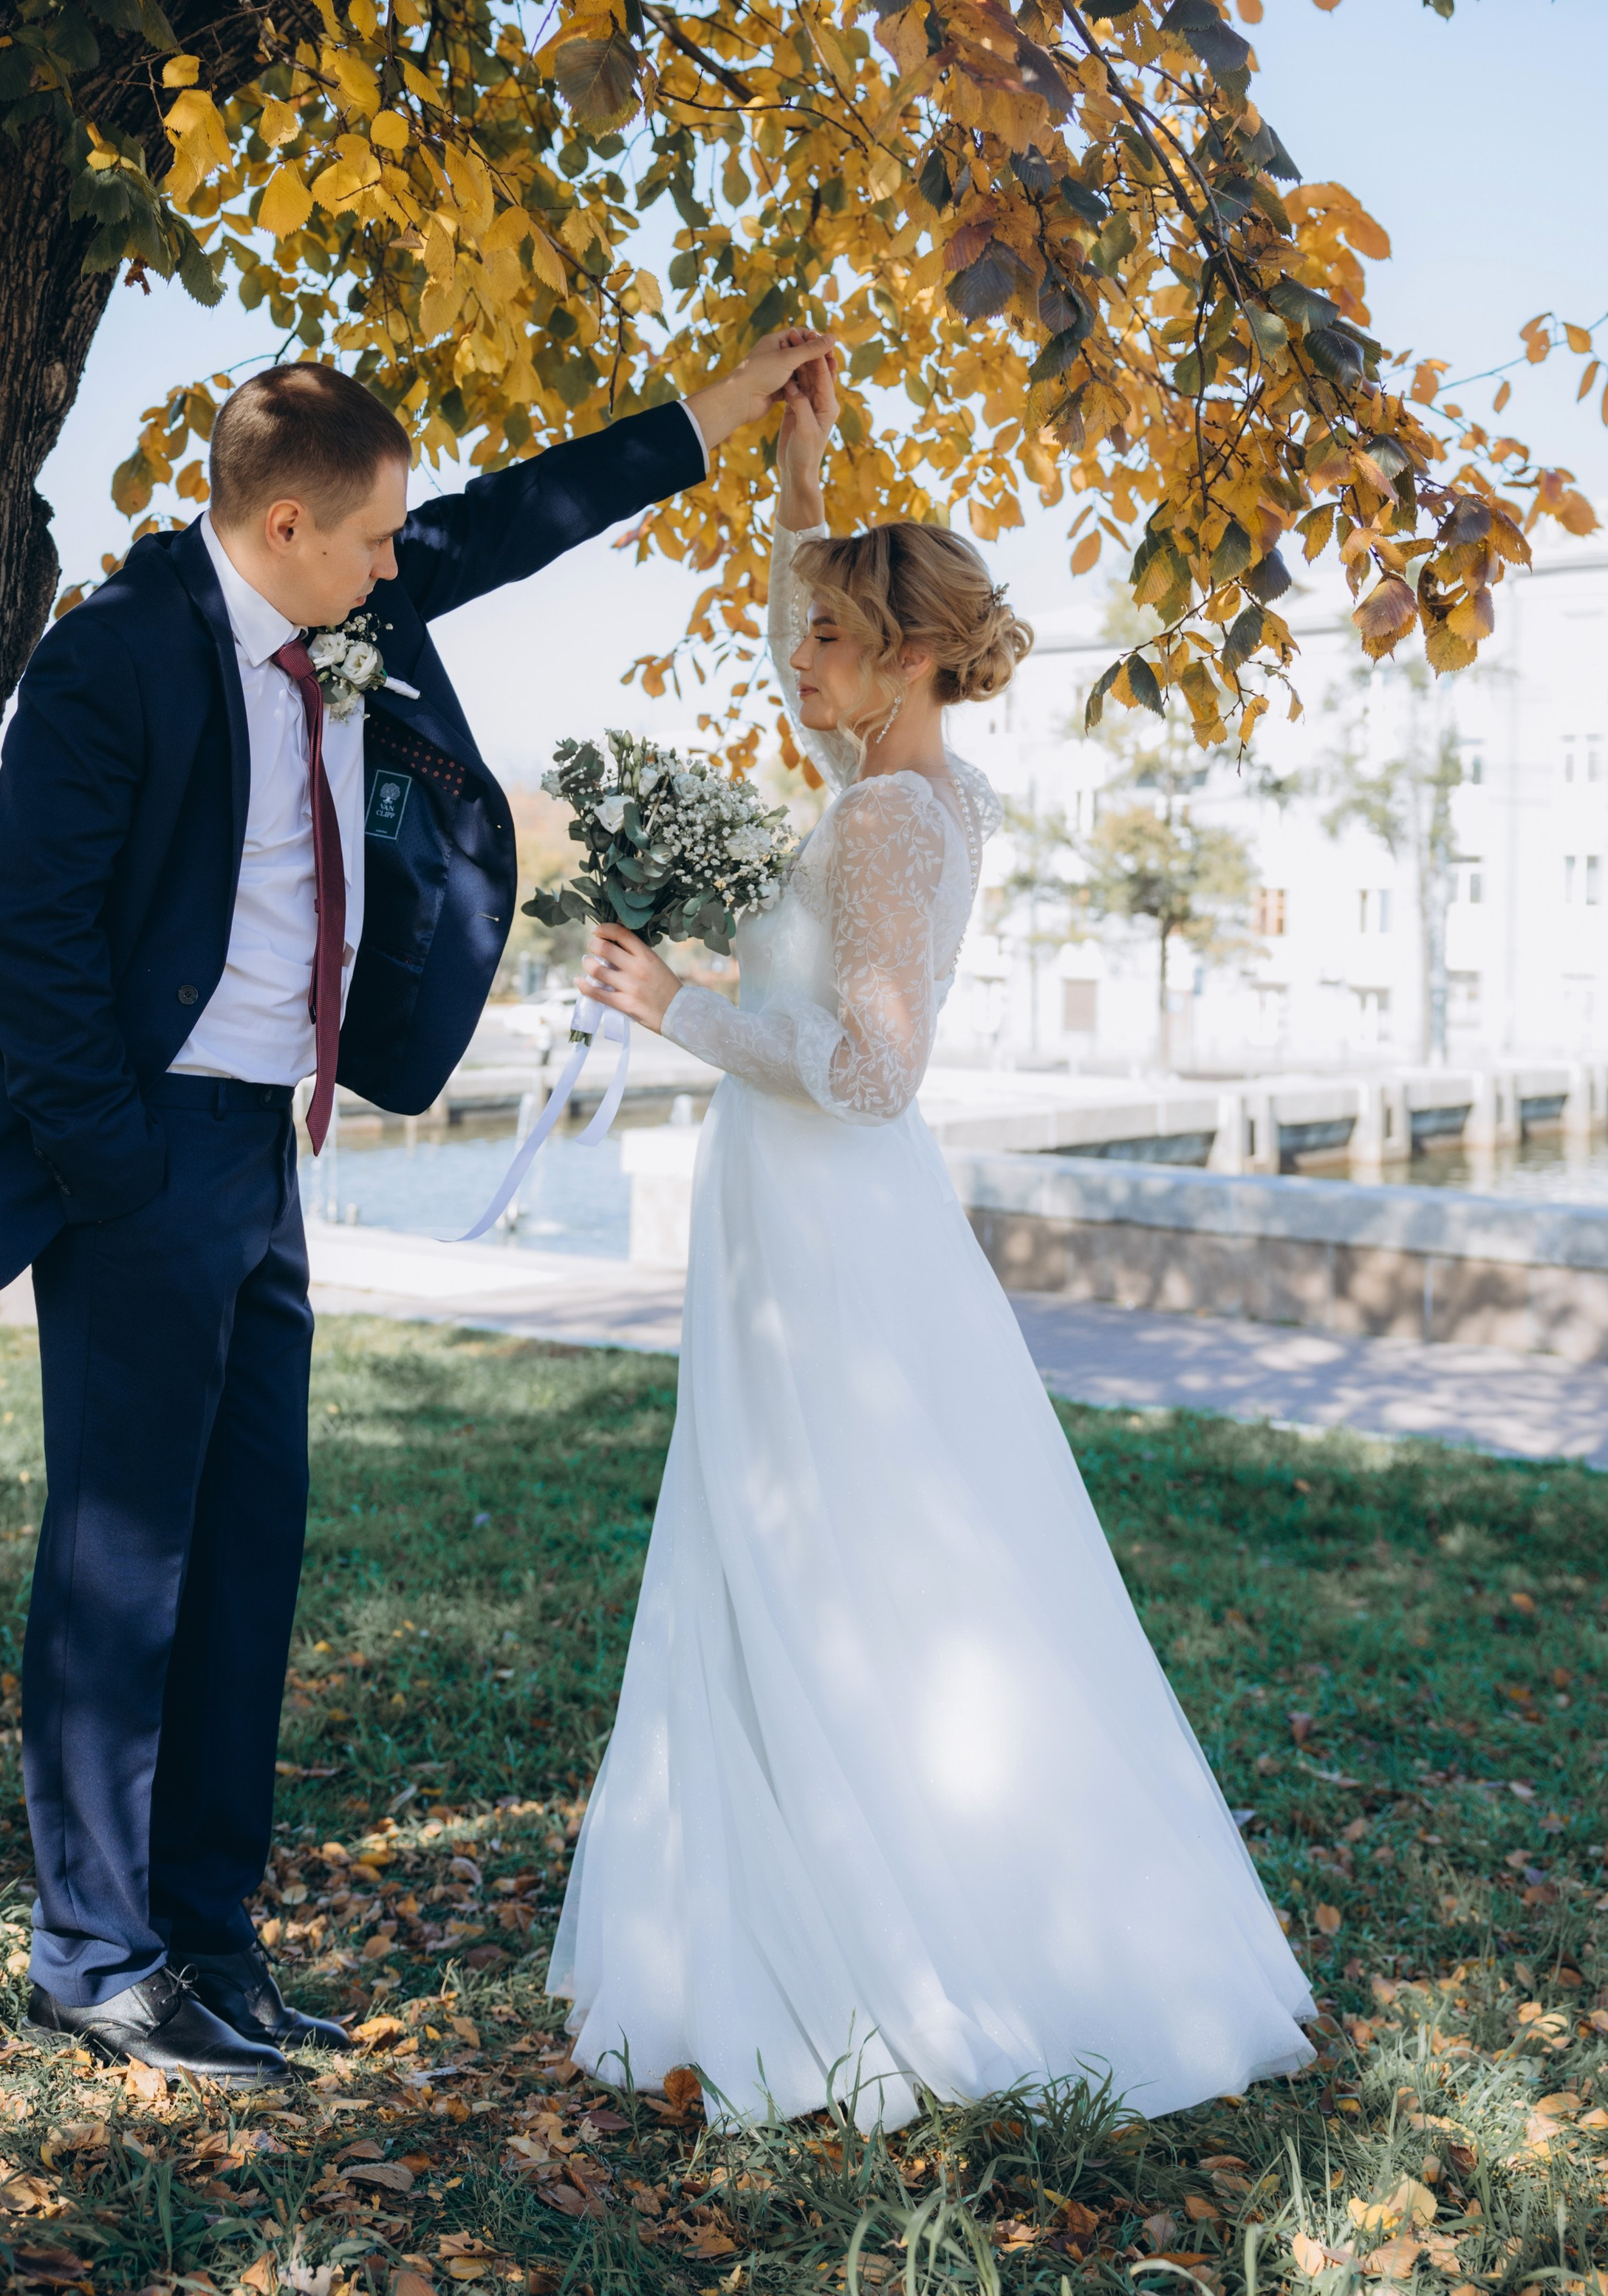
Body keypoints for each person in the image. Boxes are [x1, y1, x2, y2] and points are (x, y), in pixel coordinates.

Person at [0, 336, 835, 2083]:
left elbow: (514, 520)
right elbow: (22, 945)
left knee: (248, 1555)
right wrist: (122, 1171)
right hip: (138, 1160)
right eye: (368, 544)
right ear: (284, 524)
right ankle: (91, 1953)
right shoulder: (111, 661)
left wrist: (716, 416)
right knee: (127, 1567)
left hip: (262, 1160)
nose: (393, 569)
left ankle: (209, 1943)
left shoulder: (341, 600)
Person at [552, 361, 1316, 2131]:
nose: (790, 664)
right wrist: (798, 473)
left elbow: (874, 1076)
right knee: (787, 1538)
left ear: (902, 661)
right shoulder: (900, 775)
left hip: (830, 1225)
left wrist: (677, 1003)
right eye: (797, 640)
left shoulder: (893, 816)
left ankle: (891, 1939)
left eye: (824, 643)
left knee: (834, 1553)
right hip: (797, 1222)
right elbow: (788, 596)